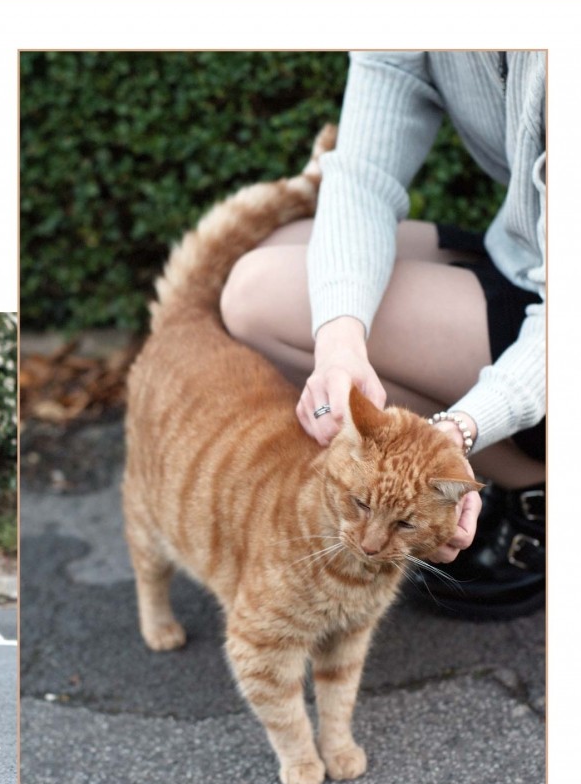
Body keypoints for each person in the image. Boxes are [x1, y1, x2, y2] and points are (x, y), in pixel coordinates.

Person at [220, 51, 545, 619]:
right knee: (285, 248)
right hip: (526, 250)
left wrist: (455, 434)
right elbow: (364, 180)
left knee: (260, 296)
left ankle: (540, 488)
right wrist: (339, 345)